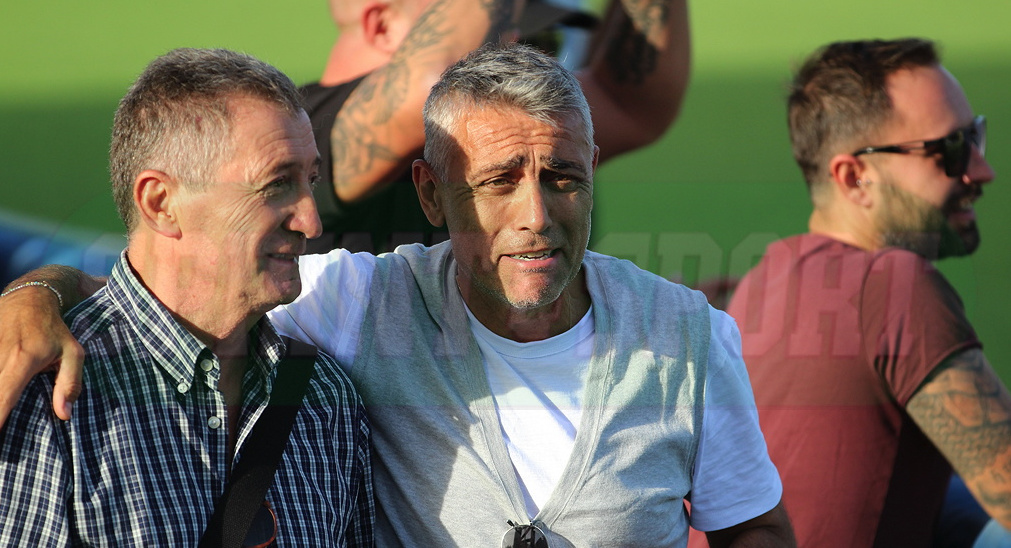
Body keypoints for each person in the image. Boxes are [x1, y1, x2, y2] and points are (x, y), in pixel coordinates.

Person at [0, 43, 790, 546]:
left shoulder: (687, 335)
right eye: (497, 182)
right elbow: (162, 294)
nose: (536, 215)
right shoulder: (356, 304)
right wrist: (36, 293)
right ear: (431, 194)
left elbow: (752, 527)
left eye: (562, 178)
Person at [0, 48, 374, 545]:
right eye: (276, 184)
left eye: (311, 180)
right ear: (160, 203)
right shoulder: (43, 390)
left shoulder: (326, 399)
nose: (312, 222)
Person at [707, 38, 1010, 547]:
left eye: (975, 136)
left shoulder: (762, 280)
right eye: (951, 149)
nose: (982, 170)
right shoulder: (894, 285)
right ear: (855, 178)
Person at [302, 0, 690, 253]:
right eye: (493, 35)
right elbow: (435, 80)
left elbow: (630, 101)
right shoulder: (299, 129)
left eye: (540, 41)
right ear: (383, 26)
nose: (520, 56)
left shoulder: (518, 125)